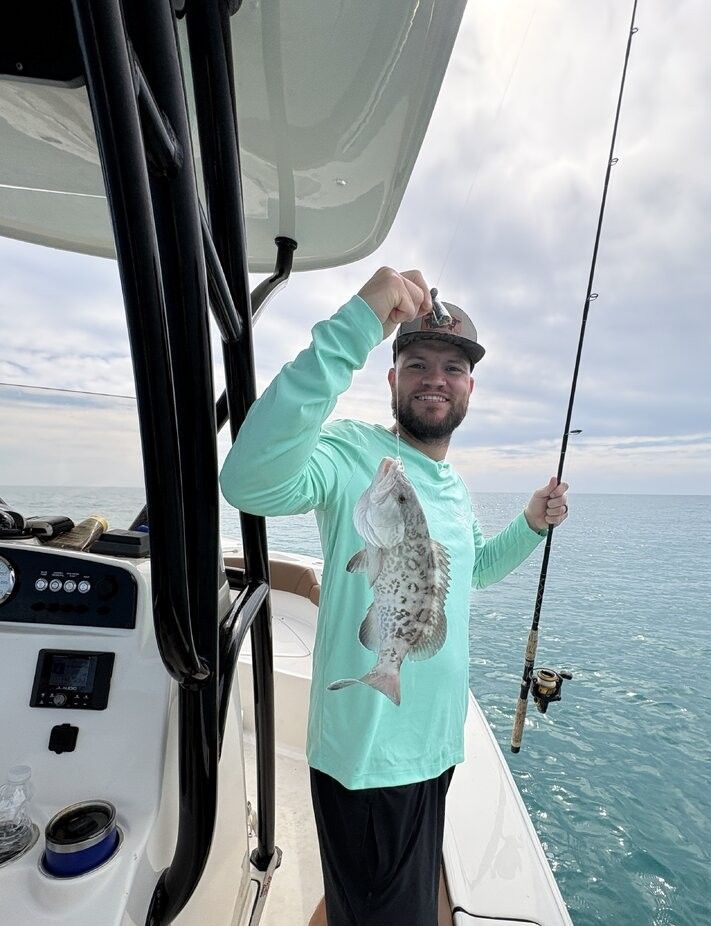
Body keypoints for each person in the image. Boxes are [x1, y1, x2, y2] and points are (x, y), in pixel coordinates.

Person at [220, 267, 569, 926]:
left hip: (435, 747)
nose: (436, 377)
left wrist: (530, 524)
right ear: (391, 378)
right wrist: (360, 318)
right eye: (417, 362)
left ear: (470, 388)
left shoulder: (453, 485)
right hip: (368, 763)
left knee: (371, 905)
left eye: (453, 367)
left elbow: (473, 573)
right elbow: (249, 480)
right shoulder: (353, 455)